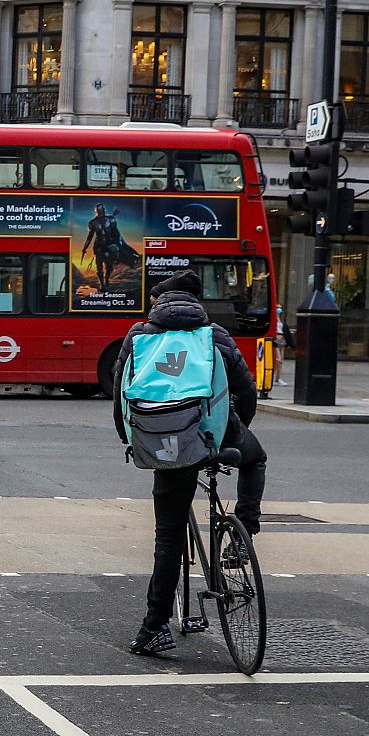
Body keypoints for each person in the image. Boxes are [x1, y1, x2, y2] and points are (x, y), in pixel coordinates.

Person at [112, 270, 266, 656]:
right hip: (213, 438)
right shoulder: (215, 336)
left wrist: (132, 439)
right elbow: (246, 393)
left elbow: (119, 397)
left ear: (157, 304)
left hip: (164, 445)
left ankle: (154, 628)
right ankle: (243, 533)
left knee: (168, 536)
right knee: (256, 458)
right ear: (198, 303)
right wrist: (232, 430)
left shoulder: (139, 336)